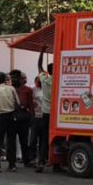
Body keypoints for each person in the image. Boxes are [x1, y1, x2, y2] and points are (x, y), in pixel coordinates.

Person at [0, 72, 20, 173]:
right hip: (11, 116)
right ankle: (12, 164)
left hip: (1, 116)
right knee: (11, 141)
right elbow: (18, 102)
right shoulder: (11, 88)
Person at [10, 70, 34, 167]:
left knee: (24, 140)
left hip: (23, 117)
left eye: (16, 78)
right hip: (12, 115)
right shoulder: (9, 89)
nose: (14, 79)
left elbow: (31, 104)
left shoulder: (28, 90)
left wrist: (32, 116)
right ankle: (12, 161)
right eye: (12, 78)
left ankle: (26, 160)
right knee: (11, 140)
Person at [36, 45, 52, 173]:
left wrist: (42, 52)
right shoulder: (59, 80)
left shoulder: (45, 79)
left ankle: (41, 162)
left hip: (46, 113)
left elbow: (39, 66)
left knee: (44, 138)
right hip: (57, 115)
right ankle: (55, 163)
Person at [29, 76, 43, 164]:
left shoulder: (45, 89)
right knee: (33, 138)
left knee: (42, 139)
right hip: (35, 116)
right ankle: (32, 156)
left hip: (43, 116)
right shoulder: (32, 89)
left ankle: (42, 157)